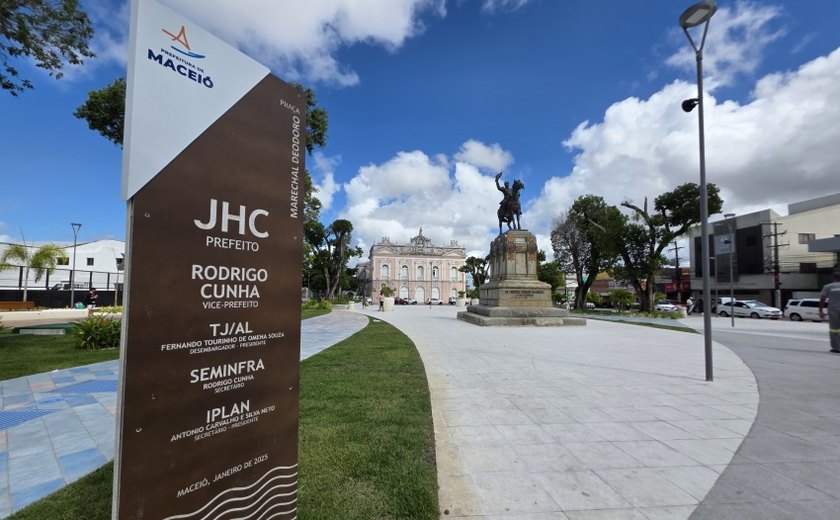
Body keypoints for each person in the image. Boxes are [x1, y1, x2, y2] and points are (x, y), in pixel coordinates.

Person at [818, 270, 840, 353]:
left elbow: (822, 299)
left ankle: (837, 348)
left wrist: (821, 310)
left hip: (833, 311)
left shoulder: (828, 286)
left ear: (833, 278)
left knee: (834, 329)